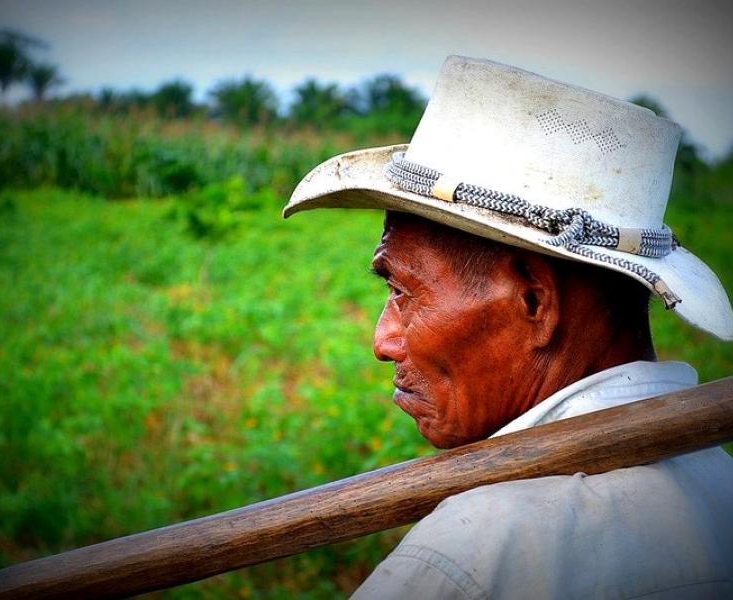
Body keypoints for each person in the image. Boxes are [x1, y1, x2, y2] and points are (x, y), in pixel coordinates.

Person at [284, 57, 733, 598]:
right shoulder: (721, 490)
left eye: (404, 292)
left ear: (535, 301)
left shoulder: (467, 558)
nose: (384, 342)